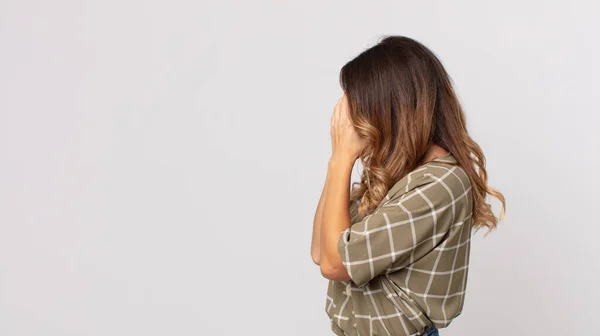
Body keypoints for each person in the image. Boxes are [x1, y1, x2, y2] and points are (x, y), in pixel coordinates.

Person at [310, 35, 506, 336]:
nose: (352, 123)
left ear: (390, 108)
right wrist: (336, 161)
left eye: (360, 108)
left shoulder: (440, 184)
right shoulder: (395, 171)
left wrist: (342, 158)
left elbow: (336, 265)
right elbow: (321, 252)